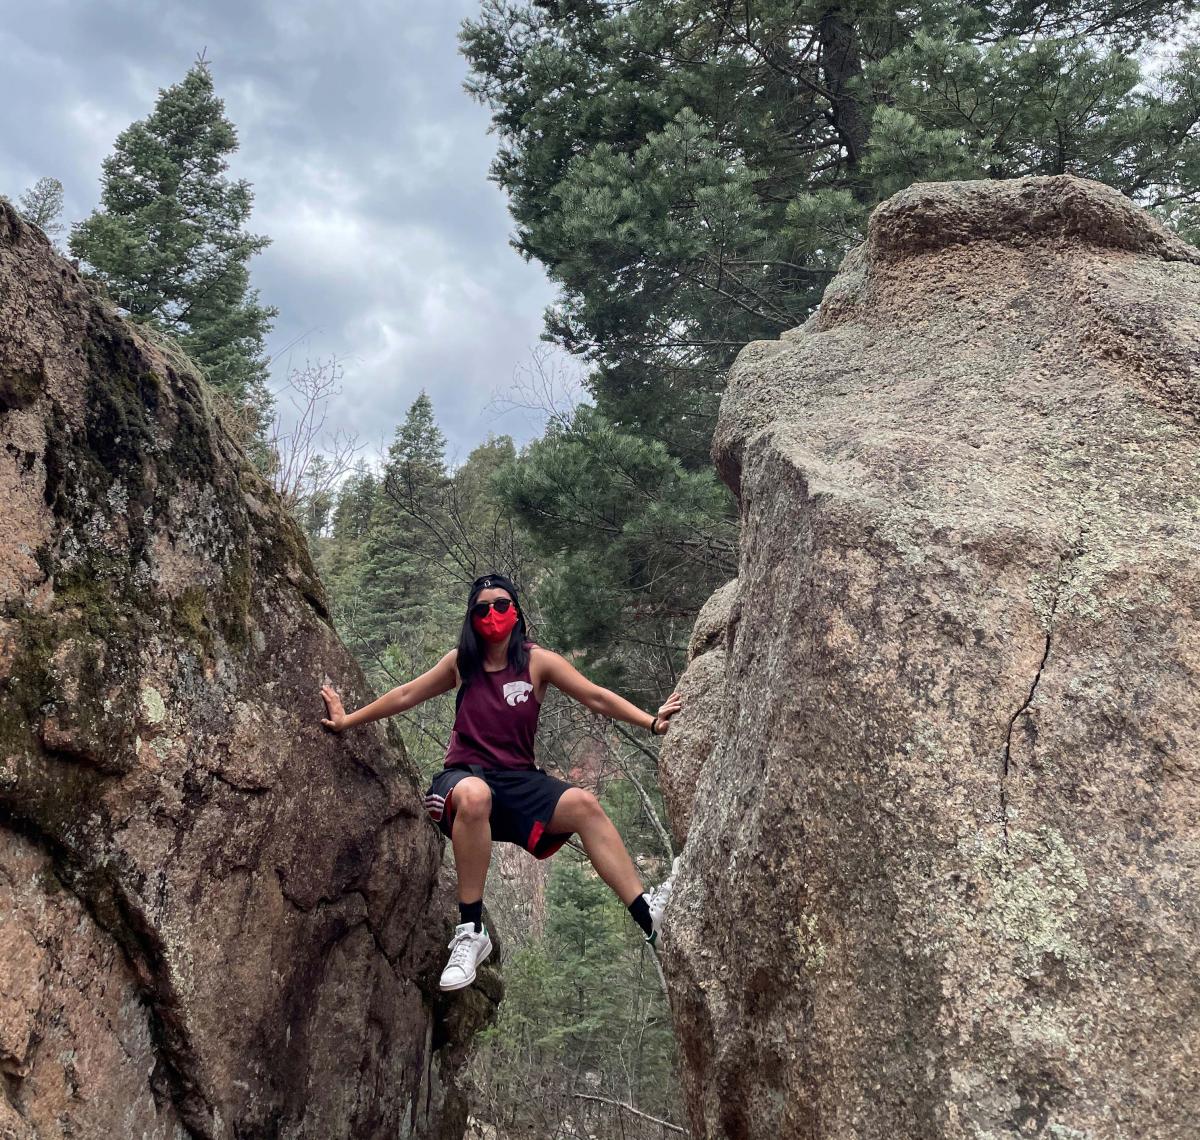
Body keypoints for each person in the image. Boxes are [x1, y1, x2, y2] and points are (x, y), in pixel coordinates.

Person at [318, 571, 684, 991]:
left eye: (501, 606)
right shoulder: (462, 663)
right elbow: (405, 695)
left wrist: (651, 722)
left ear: (516, 611)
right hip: (463, 780)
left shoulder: (536, 661)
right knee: (475, 796)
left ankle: (647, 914)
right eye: (482, 609)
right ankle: (471, 932)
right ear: (472, 618)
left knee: (585, 805)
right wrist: (348, 720)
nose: (492, 615)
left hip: (518, 782)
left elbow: (594, 696)